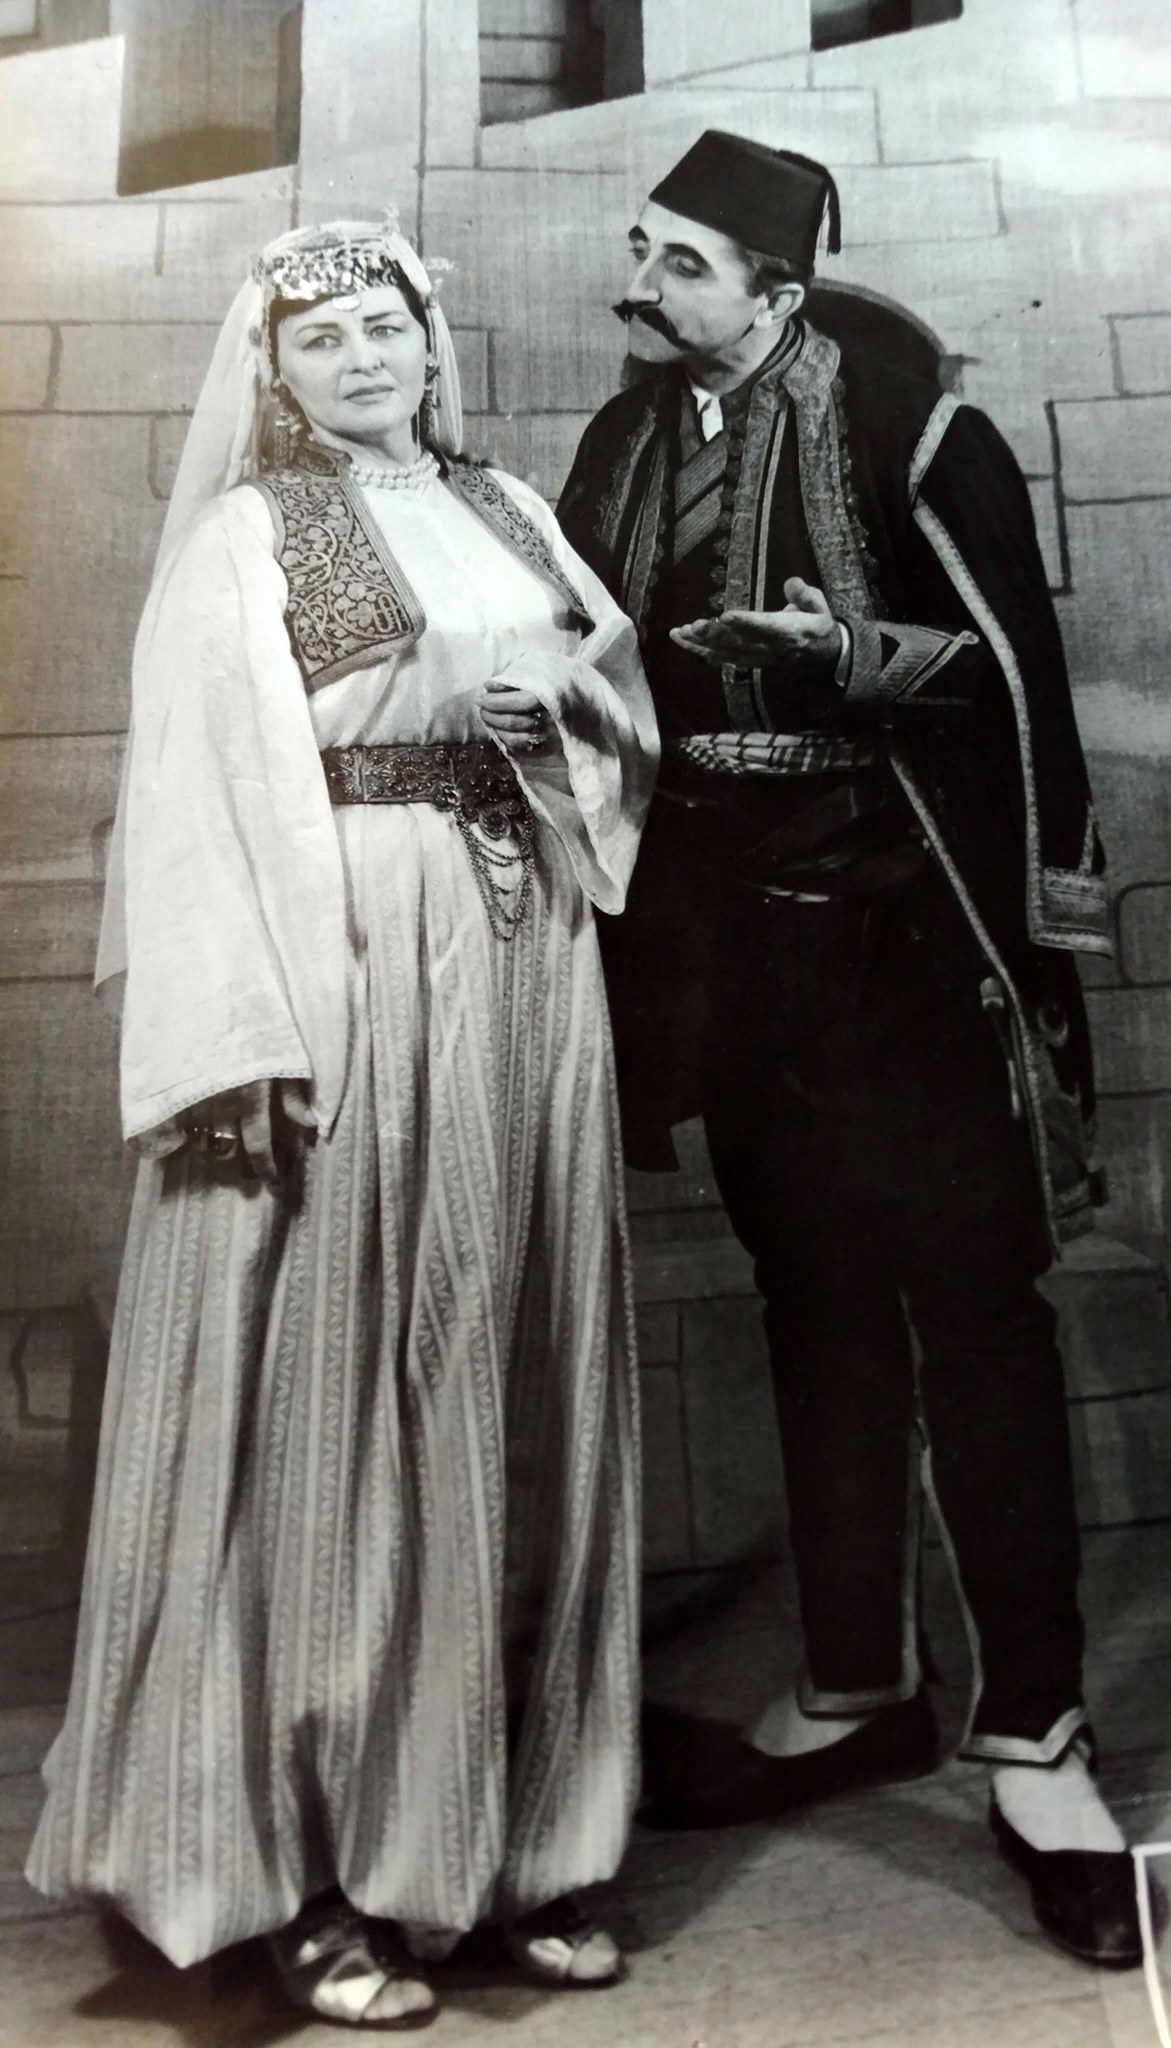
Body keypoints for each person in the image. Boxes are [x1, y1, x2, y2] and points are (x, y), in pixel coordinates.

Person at [27, 216, 658, 2028]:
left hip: (528, 958)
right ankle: (312, 1872)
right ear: (279, 376)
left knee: (518, 1364)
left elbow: (623, 711)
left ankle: (519, 1846)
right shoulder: (249, 537)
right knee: (342, 1380)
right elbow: (194, 795)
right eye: (326, 342)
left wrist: (564, 713)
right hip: (351, 954)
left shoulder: (510, 508)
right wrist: (239, 1038)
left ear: (428, 345)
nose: (367, 359)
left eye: (388, 329)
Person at [558, 130, 1159, 1968]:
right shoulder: (626, 437)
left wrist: (848, 655)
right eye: (641, 251)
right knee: (810, 1306)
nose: (637, 287)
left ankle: (1034, 1736)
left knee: (974, 1317)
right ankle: (853, 1685)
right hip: (732, 962)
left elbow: (1012, 671)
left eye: (678, 263)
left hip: (911, 945)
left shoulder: (918, 426)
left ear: (779, 286)